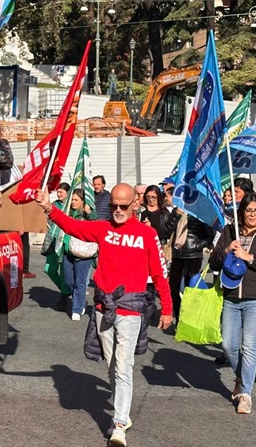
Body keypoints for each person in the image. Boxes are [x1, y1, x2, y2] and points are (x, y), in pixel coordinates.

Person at [34, 183, 173, 447]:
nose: (118, 210)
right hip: (102, 308)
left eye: (123, 206)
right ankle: (122, 412)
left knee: (123, 365)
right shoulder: (103, 228)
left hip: (131, 310)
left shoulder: (147, 234)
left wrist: (167, 308)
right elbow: (73, 227)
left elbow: (159, 273)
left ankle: (119, 424)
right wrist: (49, 207)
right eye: (113, 206)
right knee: (111, 364)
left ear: (135, 204)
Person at [209, 192, 256, 414]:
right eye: (248, 210)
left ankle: (246, 394)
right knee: (228, 345)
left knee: (249, 345)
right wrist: (226, 251)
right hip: (231, 295)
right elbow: (213, 261)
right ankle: (241, 378)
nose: (252, 215)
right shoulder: (229, 230)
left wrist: (249, 257)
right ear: (241, 212)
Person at [62, 189, 99, 320]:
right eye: (72, 199)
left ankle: (77, 309)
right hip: (69, 250)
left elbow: (97, 225)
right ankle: (81, 300)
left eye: (76, 200)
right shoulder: (68, 212)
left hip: (84, 253)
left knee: (80, 282)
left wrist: (89, 213)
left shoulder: (89, 213)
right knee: (68, 280)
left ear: (83, 201)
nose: (73, 202)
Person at [43, 182, 73, 308]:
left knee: (63, 270)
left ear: (68, 192)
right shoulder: (54, 204)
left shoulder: (71, 206)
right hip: (53, 239)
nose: (59, 194)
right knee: (49, 269)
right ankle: (66, 290)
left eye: (61, 192)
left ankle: (64, 296)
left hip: (65, 240)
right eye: (58, 192)